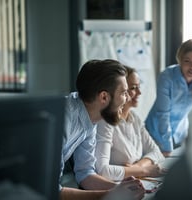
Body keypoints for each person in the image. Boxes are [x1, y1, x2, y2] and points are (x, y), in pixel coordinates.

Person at [59, 59, 145, 200]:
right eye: (124, 92)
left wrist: (120, 188)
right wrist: (112, 195)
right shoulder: (64, 117)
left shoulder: (91, 118)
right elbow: (54, 192)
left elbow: (85, 174)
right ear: (104, 97)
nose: (128, 97)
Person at [94, 65, 166, 182]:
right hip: (116, 184)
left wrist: (137, 168)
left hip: (135, 179)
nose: (139, 92)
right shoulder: (105, 122)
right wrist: (143, 170)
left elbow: (156, 152)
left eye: (138, 87)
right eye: (133, 88)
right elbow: (102, 171)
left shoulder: (134, 118)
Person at [145, 39, 192, 157]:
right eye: (187, 61)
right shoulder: (167, 76)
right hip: (155, 135)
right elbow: (163, 114)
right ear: (180, 60)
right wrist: (167, 147)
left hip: (179, 135)